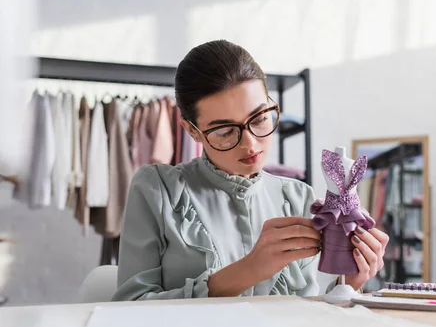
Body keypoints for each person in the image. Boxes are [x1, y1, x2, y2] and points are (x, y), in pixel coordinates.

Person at [112, 40, 388, 301]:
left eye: (260, 118)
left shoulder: (297, 196)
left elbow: (305, 312)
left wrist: (349, 283)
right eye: (223, 131)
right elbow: (130, 306)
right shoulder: (157, 189)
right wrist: (250, 269)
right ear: (192, 131)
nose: (250, 143)